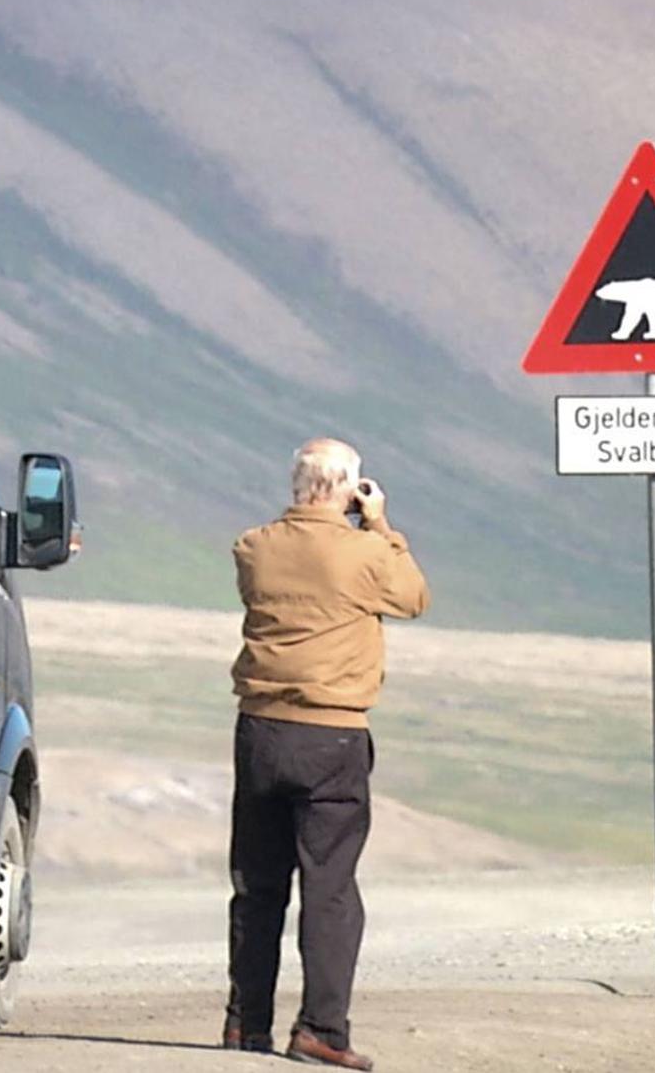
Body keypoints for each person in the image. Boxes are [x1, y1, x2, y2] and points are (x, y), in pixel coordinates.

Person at [222, 438, 430, 1070]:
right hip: (333, 734)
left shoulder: (253, 547)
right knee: (329, 887)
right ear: (346, 486)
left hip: (259, 730)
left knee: (257, 886)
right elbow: (413, 598)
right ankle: (321, 1030)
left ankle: (244, 1024)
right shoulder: (366, 553)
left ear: (295, 484)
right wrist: (382, 525)